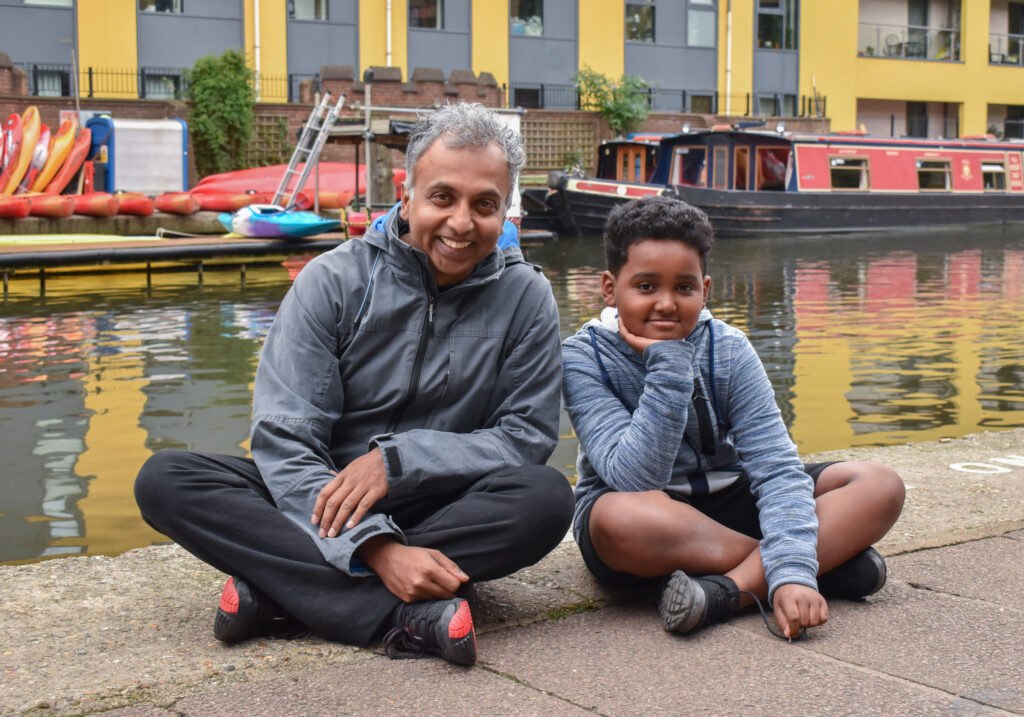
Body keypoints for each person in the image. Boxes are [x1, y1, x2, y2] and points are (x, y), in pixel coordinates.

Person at [135, 102, 574, 666]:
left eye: (485, 205)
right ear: (408, 193)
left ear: (505, 208)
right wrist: (377, 549)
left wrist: (399, 462)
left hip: (444, 503)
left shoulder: (526, 297)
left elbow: (525, 437)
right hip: (321, 501)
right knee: (167, 479)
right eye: (443, 198)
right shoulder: (332, 281)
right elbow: (286, 440)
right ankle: (402, 612)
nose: (463, 223)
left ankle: (282, 596)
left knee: (544, 498)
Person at [561, 195, 905, 639]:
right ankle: (818, 567)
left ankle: (732, 590)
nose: (666, 304)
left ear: (704, 291)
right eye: (646, 287)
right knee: (620, 520)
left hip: (730, 500)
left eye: (683, 288)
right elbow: (634, 479)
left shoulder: (729, 347)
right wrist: (668, 365)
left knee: (880, 485)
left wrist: (793, 568)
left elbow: (776, 467)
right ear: (610, 288)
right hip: (649, 515)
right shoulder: (583, 357)